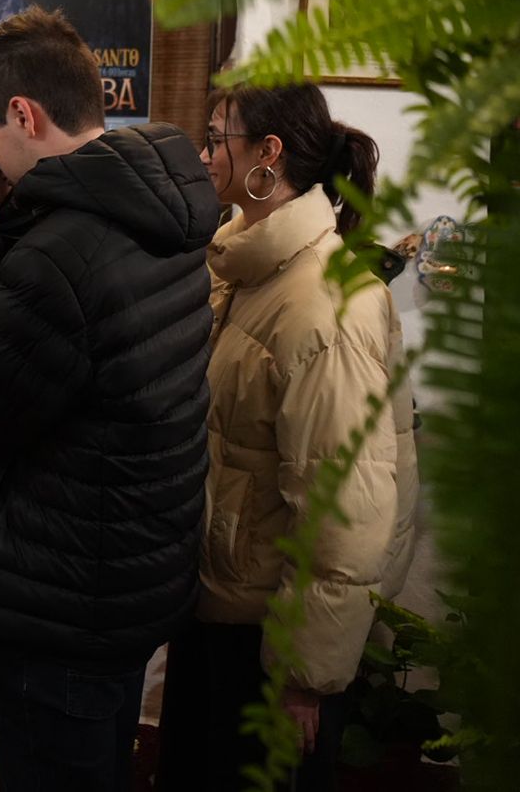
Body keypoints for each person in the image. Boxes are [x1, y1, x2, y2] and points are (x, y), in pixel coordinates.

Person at [0, 8, 220, 792]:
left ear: (24, 113)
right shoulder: (157, 212)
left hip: (55, 612)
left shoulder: (62, 255)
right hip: (121, 585)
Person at [155, 84, 419, 792]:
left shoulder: (323, 304)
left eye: (217, 138)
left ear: (267, 154)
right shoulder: (244, 269)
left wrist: (304, 676)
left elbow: (345, 509)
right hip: (216, 608)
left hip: (269, 644)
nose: (204, 154)